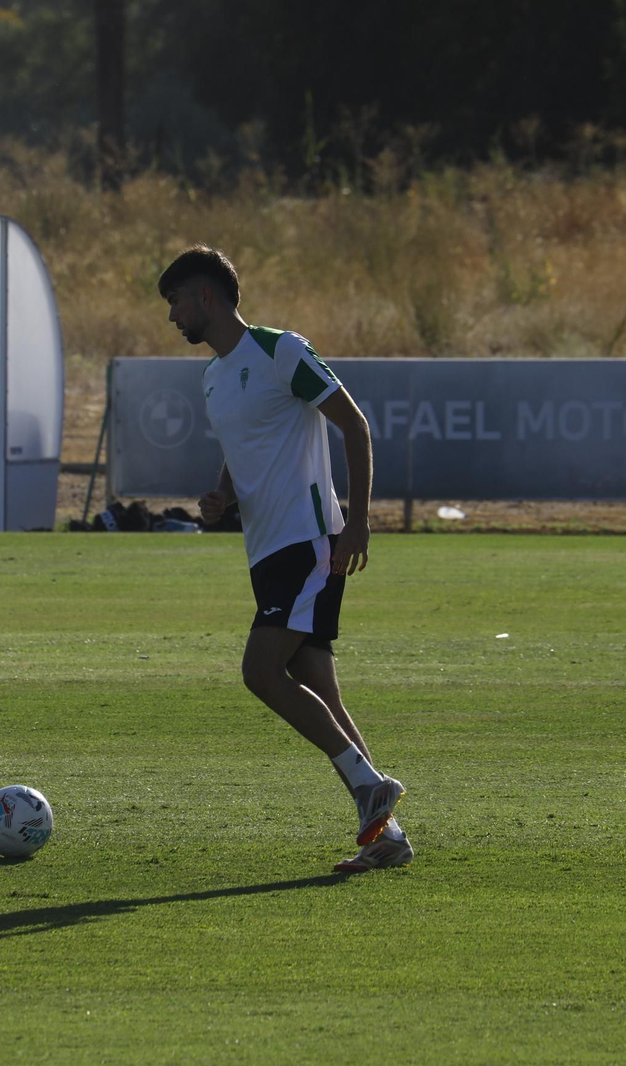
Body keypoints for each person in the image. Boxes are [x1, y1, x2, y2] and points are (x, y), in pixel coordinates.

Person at [158, 245, 412, 873]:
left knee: (261, 672)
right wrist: (222, 495)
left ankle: (369, 788)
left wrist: (358, 521)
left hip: (309, 539)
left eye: (176, 302)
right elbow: (241, 448)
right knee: (320, 691)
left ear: (206, 296)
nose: (172, 316)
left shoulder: (281, 351)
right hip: (266, 550)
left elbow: (354, 425)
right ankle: (388, 834)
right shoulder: (213, 377)